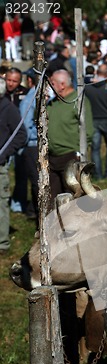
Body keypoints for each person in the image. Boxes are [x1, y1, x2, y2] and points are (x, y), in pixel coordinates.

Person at [47, 69, 93, 204]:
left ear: (62, 84)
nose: (50, 86)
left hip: (70, 156)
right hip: (51, 158)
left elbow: (88, 130)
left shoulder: (77, 100)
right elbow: (37, 120)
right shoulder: (52, 103)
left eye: (52, 83)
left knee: (74, 197)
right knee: (53, 198)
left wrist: (78, 153)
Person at [0, 77, 27, 253]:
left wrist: (3, 153)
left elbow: (20, 135)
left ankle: (2, 243)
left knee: (1, 205)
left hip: (0, 165)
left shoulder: (8, 109)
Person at [84, 63, 107, 179]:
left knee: (95, 148)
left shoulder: (88, 87)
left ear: (96, 73)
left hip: (94, 119)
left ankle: (98, 174)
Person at [4, 67, 28, 213]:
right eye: (9, 80)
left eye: (15, 81)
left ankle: (19, 202)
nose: (11, 83)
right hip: (5, 139)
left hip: (19, 138)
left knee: (21, 172)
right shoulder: (2, 95)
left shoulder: (24, 93)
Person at [18, 67, 39, 221]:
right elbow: (25, 127)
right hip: (32, 145)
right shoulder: (28, 100)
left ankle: (34, 208)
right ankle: (34, 210)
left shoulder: (37, 97)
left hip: (37, 144)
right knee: (36, 179)